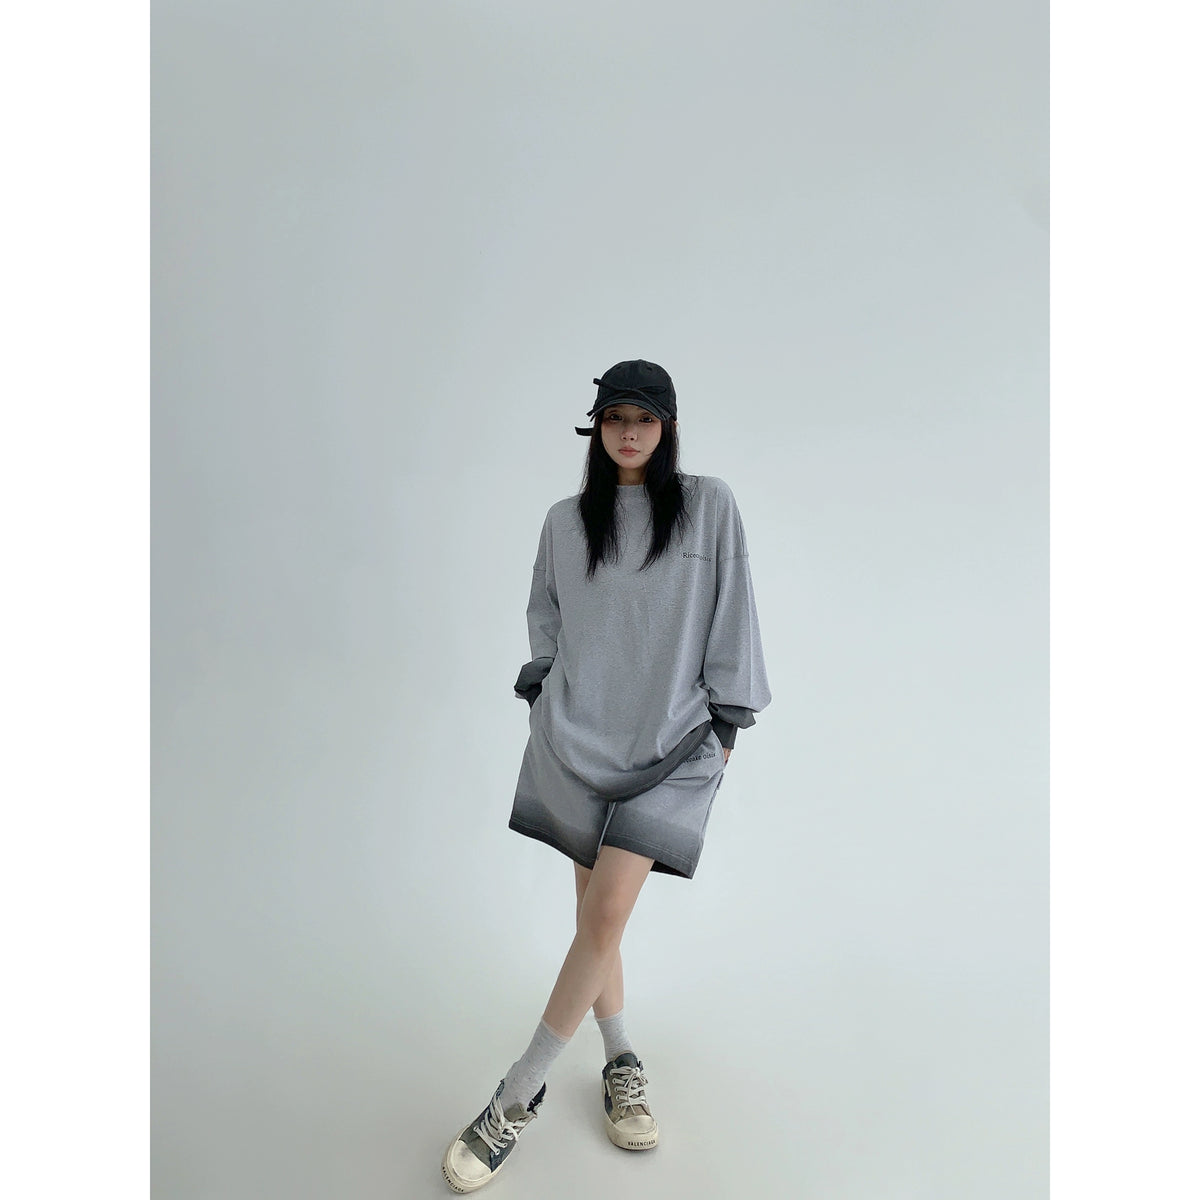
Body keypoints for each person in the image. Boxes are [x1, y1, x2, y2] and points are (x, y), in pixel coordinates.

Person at [441, 359, 772, 1193]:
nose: (629, 432)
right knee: (599, 918)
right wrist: (541, 693)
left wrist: (728, 724)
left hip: (675, 744)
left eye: (644, 418)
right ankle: (621, 1060)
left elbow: (735, 606)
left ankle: (515, 1095)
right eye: (616, 417)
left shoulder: (709, 505)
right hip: (577, 742)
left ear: (668, 427)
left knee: (608, 910)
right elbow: (545, 614)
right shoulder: (565, 520)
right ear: (598, 427)